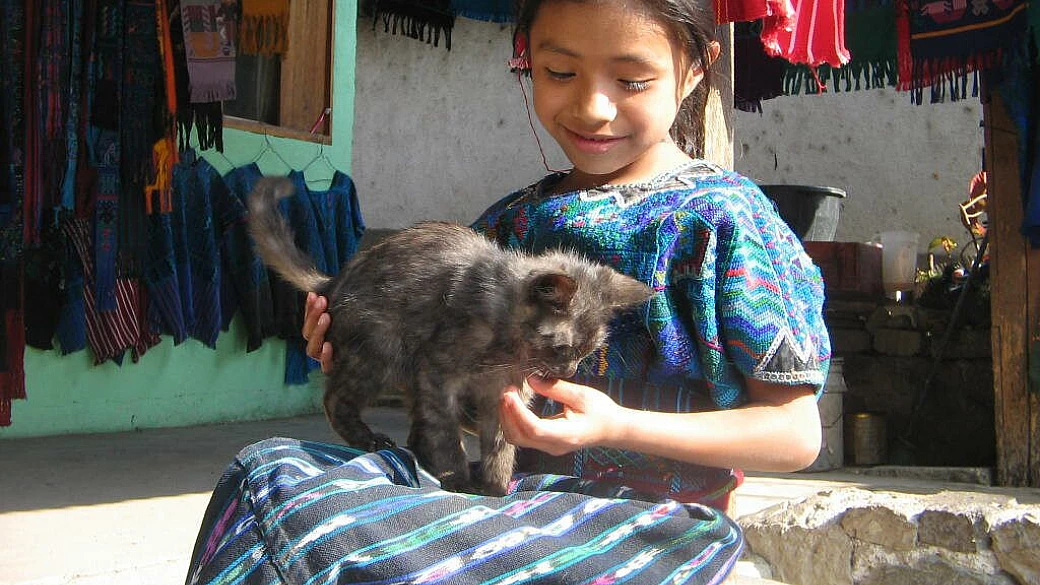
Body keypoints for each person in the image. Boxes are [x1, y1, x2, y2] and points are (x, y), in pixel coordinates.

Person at [187, 0, 829, 582]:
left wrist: (618, 427)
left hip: (647, 529)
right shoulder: (512, 226)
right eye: (559, 72)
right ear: (525, 60)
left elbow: (794, 435)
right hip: (505, 506)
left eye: (632, 81)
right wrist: (366, 341)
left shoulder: (724, 223)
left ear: (695, 69)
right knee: (272, 477)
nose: (592, 106)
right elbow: (456, 391)